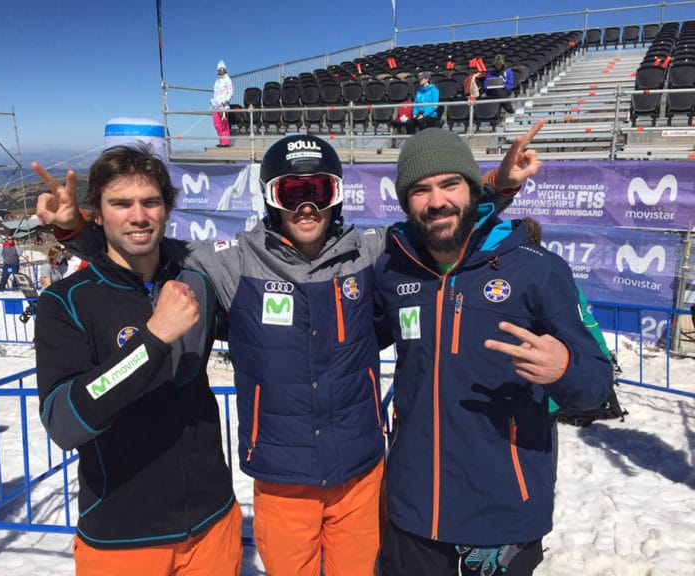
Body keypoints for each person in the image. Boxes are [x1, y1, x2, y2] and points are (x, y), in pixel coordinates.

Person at [34, 125, 543, 576]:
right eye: (292, 190)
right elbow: (142, 248)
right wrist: (76, 231)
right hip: (281, 478)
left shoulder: (367, 254)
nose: (307, 204)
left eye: (319, 190)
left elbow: (435, 225)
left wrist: (497, 188)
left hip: (359, 470)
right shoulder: (230, 263)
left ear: (336, 196)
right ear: (272, 198)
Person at [374, 128, 613, 576]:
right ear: (406, 203)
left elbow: (596, 385)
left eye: (449, 184)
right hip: (412, 512)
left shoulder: (537, 270)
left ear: (472, 189)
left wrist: (564, 368)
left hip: (503, 516)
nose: (436, 201)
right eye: (420, 190)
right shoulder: (391, 270)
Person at [33, 145, 242, 576]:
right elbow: (64, 421)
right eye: (120, 204)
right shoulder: (65, 302)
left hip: (212, 522)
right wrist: (153, 339)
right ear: (98, 212)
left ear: (167, 208)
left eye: (150, 202)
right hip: (122, 537)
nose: (138, 216)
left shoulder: (195, 279)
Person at [211, 59, 233, 148]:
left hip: (224, 105)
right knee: (217, 124)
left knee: (224, 124)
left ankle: (225, 142)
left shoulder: (228, 80)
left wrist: (225, 100)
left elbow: (230, 92)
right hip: (216, 105)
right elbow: (215, 93)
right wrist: (214, 101)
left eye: (223, 69)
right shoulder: (217, 81)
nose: (221, 71)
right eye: (220, 69)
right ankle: (221, 141)